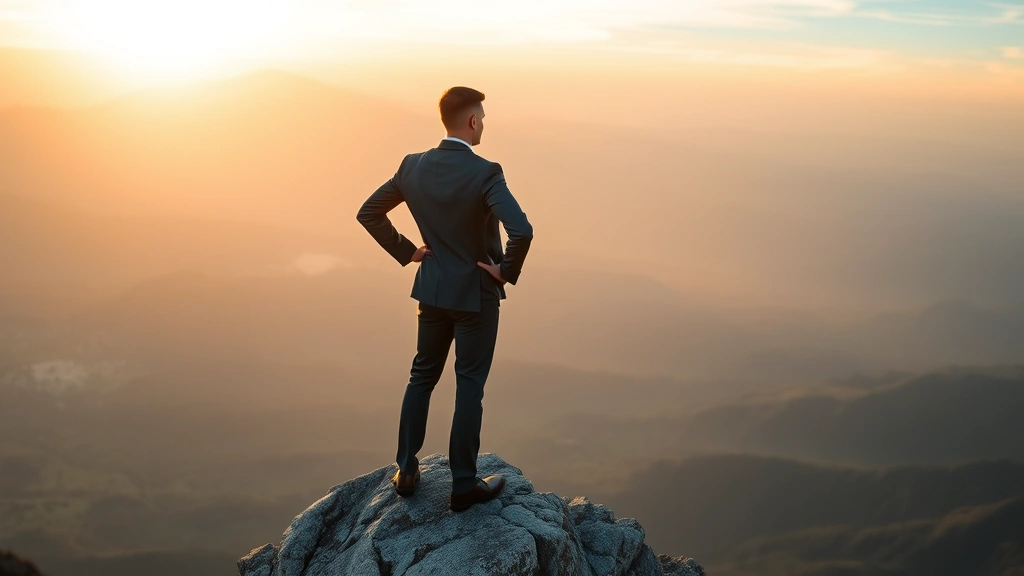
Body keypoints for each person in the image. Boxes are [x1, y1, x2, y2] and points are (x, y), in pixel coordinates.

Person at [356, 86, 533, 512]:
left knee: (422, 376)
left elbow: (369, 212)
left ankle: (406, 470)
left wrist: (408, 251)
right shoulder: (486, 172)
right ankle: (464, 486)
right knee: (468, 387)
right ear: (472, 121)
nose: (484, 124)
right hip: (475, 295)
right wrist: (505, 270)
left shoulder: (412, 166)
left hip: (432, 289)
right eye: (483, 117)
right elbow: (522, 230)